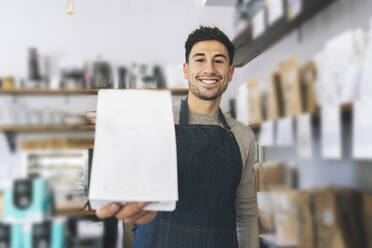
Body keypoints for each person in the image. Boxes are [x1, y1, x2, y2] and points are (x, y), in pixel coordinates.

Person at [93, 26, 259, 248]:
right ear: (186, 69)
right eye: (200, 59)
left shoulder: (243, 136)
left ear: (230, 72)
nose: (209, 69)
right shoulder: (153, 121)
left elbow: (246, 215)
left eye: (218, 61)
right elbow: (128, 198)